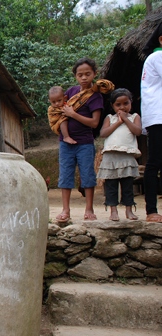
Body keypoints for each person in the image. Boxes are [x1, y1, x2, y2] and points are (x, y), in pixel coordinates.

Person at [55, 57, 114, 224]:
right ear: (75, 76)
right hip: (65, 143)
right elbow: (58, 109)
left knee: (87, 176)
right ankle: (65, 210)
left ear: (94, 74)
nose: (84, 78)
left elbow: (94, 123)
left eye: (88, 74)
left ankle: (89, 209)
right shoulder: (71, 92)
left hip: (85, 142)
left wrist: (73, 114)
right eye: (80, 74)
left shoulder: (96, 97)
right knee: (65, 176)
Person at [97, 89, 141, 221]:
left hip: (126, 157)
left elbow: (137, 131)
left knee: (127, 186)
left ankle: (129, 210)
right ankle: (113, 211)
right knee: (111, 186)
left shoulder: (134, 117)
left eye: (125, 103)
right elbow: (103, 133)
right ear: (113, 106)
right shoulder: (110, 118)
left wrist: (126, 120)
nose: (122, 107)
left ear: (131, 103)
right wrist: (119, 122)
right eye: (118, 105)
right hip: (110, 157)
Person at [140, 21, 162, 223]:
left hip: (157, 117)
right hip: (158, 118)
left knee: (155, 162)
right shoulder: (157, 57)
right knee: (154, 163)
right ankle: (151, 211)